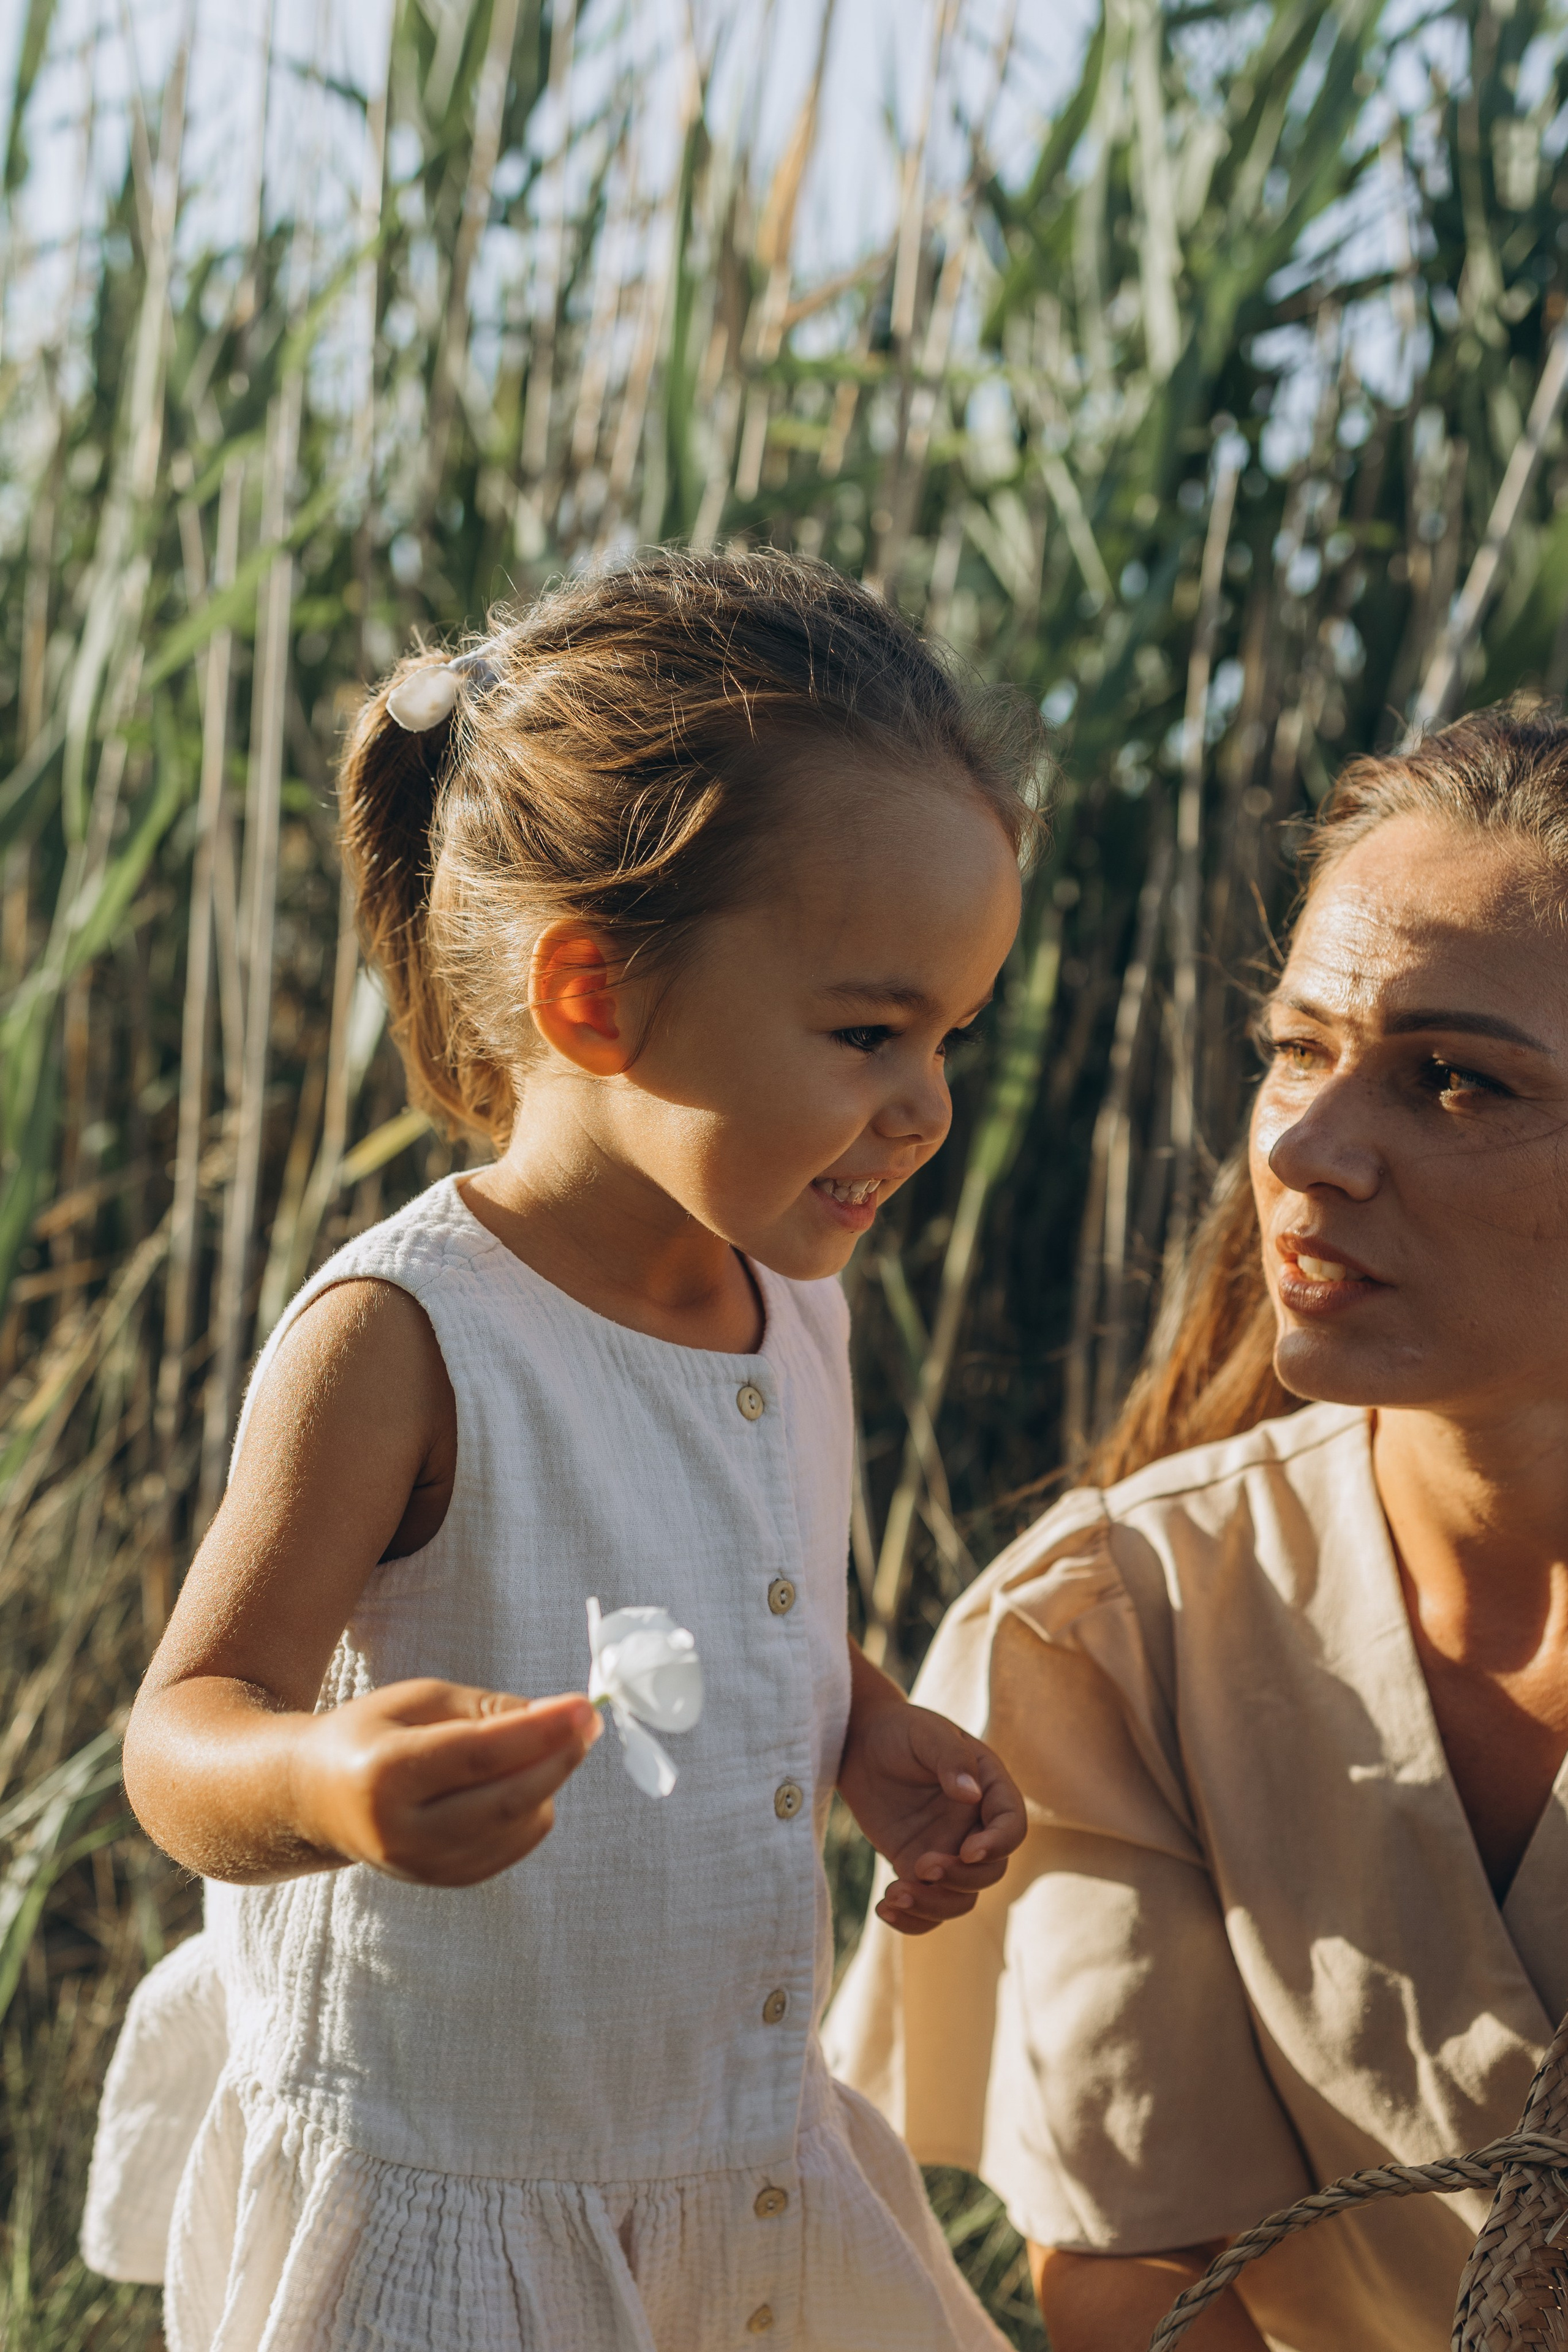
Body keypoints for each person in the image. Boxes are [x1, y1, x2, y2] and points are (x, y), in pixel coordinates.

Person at [82, 551, 1037, 2352]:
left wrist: (863, 1727)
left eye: (951, 1038)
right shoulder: (409, 1337)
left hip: (725, 2145)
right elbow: (181, 1731)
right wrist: (323, 1782)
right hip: (474, 2186)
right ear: (593, 996)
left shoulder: (791, 1302)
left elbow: (725, 1591)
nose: (926, 1107)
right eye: (868, 1033)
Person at [827, 698, 1568, 2352]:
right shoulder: (1117, 1631)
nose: (1304, 1150)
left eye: (1454, 1080)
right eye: (1299, 1049)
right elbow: (1145, 2262)